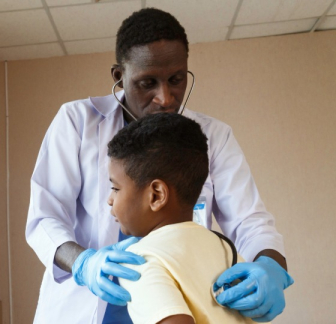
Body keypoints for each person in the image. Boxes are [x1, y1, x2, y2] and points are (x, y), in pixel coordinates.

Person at [25, 8, 294, 324]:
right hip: (85, 307)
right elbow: (45, 218)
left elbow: (251, 221)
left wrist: (270, 267)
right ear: (119, 77)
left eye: (176, 80)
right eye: (147, 83)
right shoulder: (78, 122)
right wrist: (84, 263)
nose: (165, 98)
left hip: (175, 298)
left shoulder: (212, 137)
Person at [108, 113, 290, 324]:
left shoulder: (140, 260)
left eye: (115, 188)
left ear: (156, 195)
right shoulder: (224, 248)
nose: (109, 200)